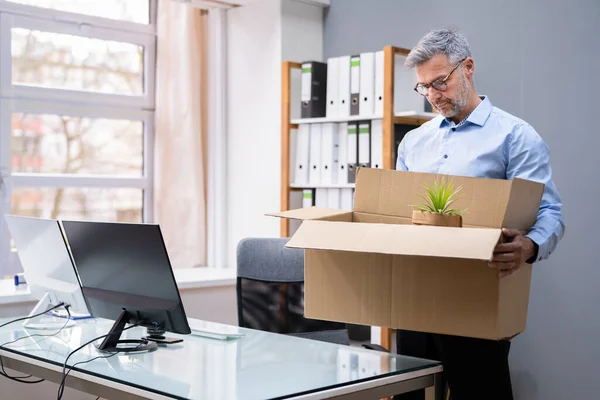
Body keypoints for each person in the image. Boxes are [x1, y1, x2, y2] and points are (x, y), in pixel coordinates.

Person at [394, 29, 565, 400]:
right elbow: (400, 213)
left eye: (440, 82)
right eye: (423, 88)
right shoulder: (413, 142)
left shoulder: (515, 136)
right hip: (414, 300)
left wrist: (529, 246)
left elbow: (550, 211)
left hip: (478, 302)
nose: (433, 96)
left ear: (467, 68)